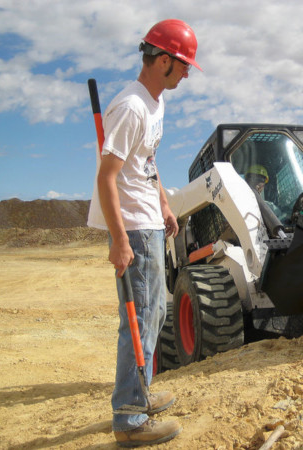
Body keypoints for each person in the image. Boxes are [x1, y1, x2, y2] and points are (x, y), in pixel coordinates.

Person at [87, 19, 202, 447]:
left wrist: (166, 204)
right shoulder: (131, 106)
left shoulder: (156, 104)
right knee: (137, 318)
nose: (187, 74)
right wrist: (118, 240)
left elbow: (146, 164)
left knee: (154, 313)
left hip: (150, 219)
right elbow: (108, 177)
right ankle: (130, 419)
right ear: (165, 61)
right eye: (185, 65)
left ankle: (143, 393)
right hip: (132, 228)